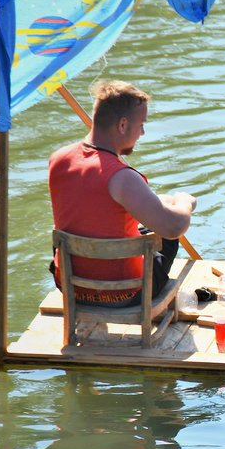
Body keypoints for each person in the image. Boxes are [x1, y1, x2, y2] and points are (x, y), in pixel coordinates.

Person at [48, 80, 196, 306]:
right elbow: (174, 227)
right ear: (123, 125)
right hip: (123, 292)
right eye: (141, 125)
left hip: (72, 288)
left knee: (157, 207)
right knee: (166, 231)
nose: (142, 133)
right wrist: (184, 202)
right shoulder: (122, 178)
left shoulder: (58, 159)